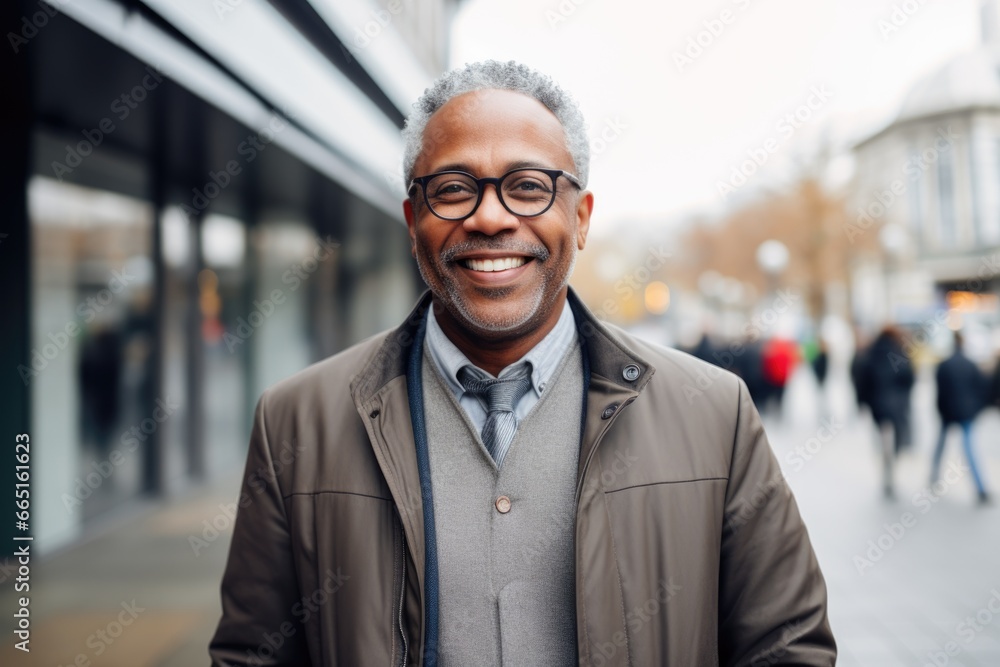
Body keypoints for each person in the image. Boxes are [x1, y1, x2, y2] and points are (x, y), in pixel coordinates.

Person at [209, 60, 835, 666]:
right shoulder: (295, 423)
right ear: (411, 221)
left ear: (581, 217)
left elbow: (787, 647)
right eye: (453, 189)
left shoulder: (713, 415)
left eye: (529, 187)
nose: (489, 216)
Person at [932, 332, 990, 504]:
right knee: (970, 450)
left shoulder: (944, 364)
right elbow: (981, 389)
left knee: (939, 448)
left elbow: (940, 393)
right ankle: (980, 488)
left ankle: (933, 478)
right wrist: (974, 410)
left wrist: (941, 411)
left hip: (948, 413)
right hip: (965, 413)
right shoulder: (971, 364)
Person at [858, 326, 914, 499]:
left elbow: (863, 379)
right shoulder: (900, 353)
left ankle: (886, 463)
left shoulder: (871, 353)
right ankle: (891, 466)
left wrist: (863, 402)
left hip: (878, 405)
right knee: (896, 438)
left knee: (883, 437)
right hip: (896, 406)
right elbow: (909, 379)